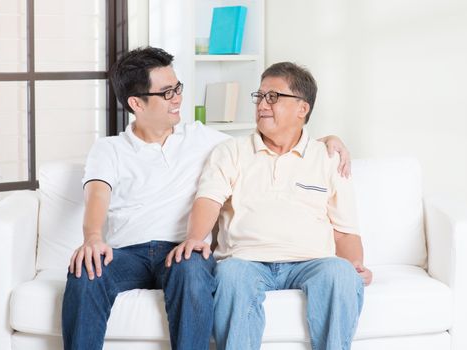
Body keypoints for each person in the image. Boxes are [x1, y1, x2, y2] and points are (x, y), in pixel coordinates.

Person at [61, 47, 351, 350]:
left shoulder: (201, 138)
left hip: (182, 250)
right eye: (167, 93)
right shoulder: (109, 150)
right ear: (137, 103)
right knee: (85, 271)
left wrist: (324, 142)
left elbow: (271, 140)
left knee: (193, 267)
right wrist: (93, 237)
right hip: (126, 254)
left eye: (178, 88)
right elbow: (97, 194)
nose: (178, 98)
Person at [167, 61, 372, 350]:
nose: (262, 104)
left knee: (341, 273)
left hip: (311, 262)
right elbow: (208, 200)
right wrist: (194, 238)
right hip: (246, 261)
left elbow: (345, 230)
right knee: (230, 275)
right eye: (260, 96)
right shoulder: (232, 150)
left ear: (303, 108)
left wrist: (355, 266)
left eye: (273, 97)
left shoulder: (328, 157)